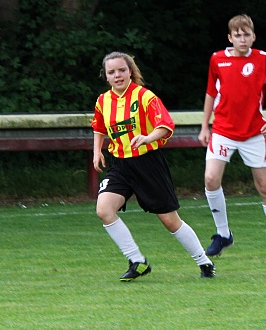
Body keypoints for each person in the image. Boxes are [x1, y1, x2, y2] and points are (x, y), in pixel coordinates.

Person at [92, 51, 216, 280]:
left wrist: (148, 138)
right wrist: (96, 150)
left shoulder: (145, 97)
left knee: (170, 220)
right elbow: (99, 127)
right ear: (106, 76)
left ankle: (204, 262)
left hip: (147, 164)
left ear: (130, 71)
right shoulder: (103, 101)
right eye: (112, 72)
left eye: (121, 70)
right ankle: (138, 261)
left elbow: (166, 124)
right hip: (119, 165)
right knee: (104, 209)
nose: (117, 75)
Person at [198, 14, 266, 258]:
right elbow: (210, 93)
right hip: (222, 130)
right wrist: (204, 126)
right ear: (230, 38)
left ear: (253, 36)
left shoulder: (263, 59)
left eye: (246, 34)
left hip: (254, 132)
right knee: (210, 179)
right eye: (237, 35)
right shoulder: (217, 59)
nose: (243, 39)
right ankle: (223, 235)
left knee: (264, 185)